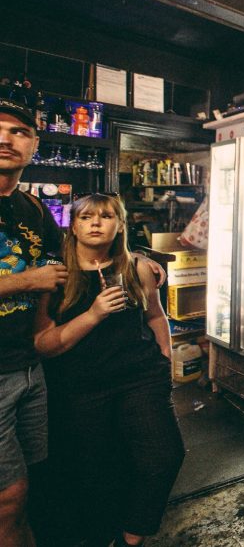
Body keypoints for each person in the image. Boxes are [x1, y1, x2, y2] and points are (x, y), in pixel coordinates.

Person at [33, 194, 183, 547]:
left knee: (164, 455)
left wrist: (165, 359)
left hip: (140, 378)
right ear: (73, 226)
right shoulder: (55, 275)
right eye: (86, 217)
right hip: (81, 387)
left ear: (120, 225)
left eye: (106, 216)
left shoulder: (137, 268)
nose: (96, 223)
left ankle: (132, 536)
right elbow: (43, 343)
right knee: (96, 471)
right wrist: (94, 314)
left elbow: (155, 317)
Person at [0, 85, 68, 547]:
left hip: (28, 367)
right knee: (9, 497)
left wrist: (135, 259)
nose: (6, 139)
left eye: (19, 132)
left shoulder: (34, 209)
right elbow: (37, 277)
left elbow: (55, 269)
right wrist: (26, 282)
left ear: (35, 145)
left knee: (27, 490)